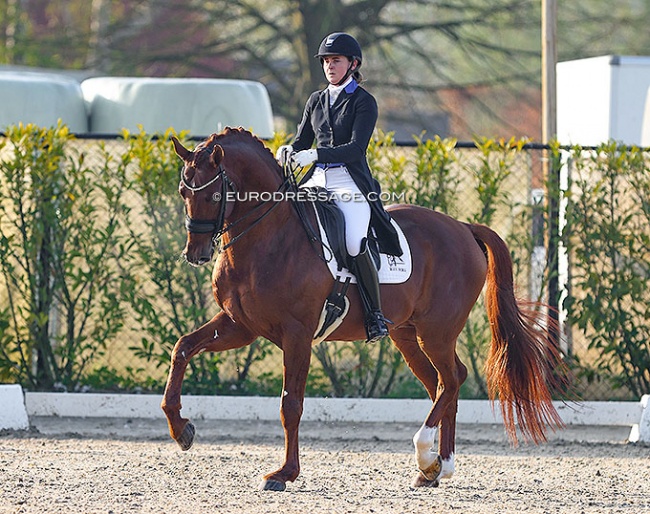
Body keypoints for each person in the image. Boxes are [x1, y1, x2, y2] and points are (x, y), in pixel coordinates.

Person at [276, 32, 402, 343]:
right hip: (317, 180)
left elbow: (356, 148)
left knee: (354, 241)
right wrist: (289, 150)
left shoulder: (363, 102)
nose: (330, 66)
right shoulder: (316, 100)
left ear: (352, 64)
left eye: (336, 61)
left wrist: (315, 154)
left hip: (350, 183)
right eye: (327, 62)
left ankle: (374, 316)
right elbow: (302, 140)